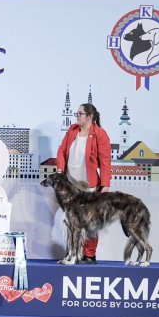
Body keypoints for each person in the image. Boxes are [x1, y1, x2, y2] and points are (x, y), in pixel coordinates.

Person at [55, 103, 112, 264]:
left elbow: (105, 161)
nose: (77, 116)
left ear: (90, 116)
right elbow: (62, 151)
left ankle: (89, 254)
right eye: (77, 113)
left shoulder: (100, 134)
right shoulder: (72, 130)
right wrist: (60, 169)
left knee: (90, 221)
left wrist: (105, 185)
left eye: (80, 113)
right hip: (70, 186)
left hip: (89, 186)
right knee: (70, 221)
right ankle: (73, 252)